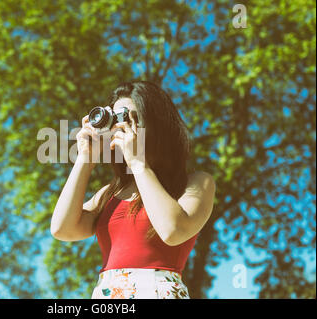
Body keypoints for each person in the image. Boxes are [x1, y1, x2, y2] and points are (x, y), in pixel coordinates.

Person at [50, 81, 216, 299]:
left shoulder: (196, 183)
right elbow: (62, 229)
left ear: (158, 125)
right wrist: (85, 159)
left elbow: (173, 231)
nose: (123, 127)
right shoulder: (110, 193)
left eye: (132, 119)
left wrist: (139, 164)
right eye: (117, 120)